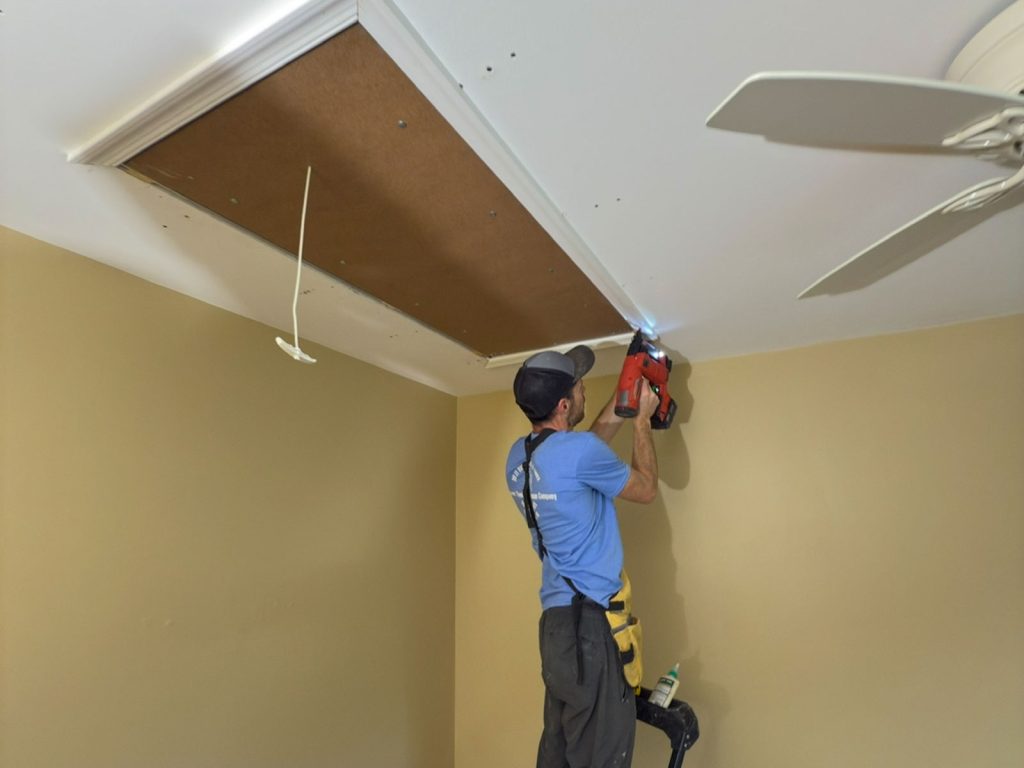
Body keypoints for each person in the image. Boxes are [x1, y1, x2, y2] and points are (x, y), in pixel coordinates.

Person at [505, 344, 660, 768]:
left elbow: (583, 449)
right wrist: (642, 419)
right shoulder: (578, 455)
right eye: (578, 386)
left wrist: (624, 393)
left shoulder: (519, 458)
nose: (583, 389)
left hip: (556, 628)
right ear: (563, 404)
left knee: (560, 751)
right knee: (603, 752)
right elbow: (645, 489)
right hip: (592, 628)